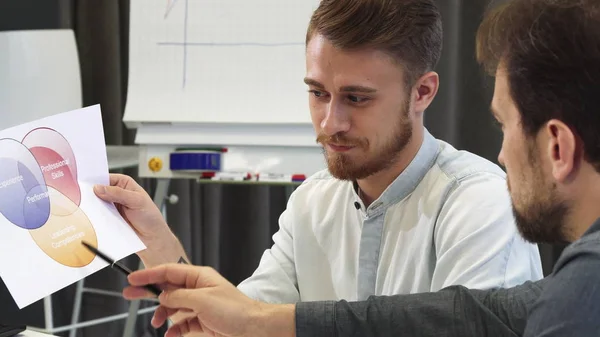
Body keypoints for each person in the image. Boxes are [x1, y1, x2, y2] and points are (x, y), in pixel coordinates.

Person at [120, 0, 600, 336]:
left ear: (423, 92)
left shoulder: (479, 203)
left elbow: (464, 326)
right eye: (318, 93)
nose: (331, 122)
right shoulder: (312, 201)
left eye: (356, 98)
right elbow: (240, 324)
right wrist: (158, 244)